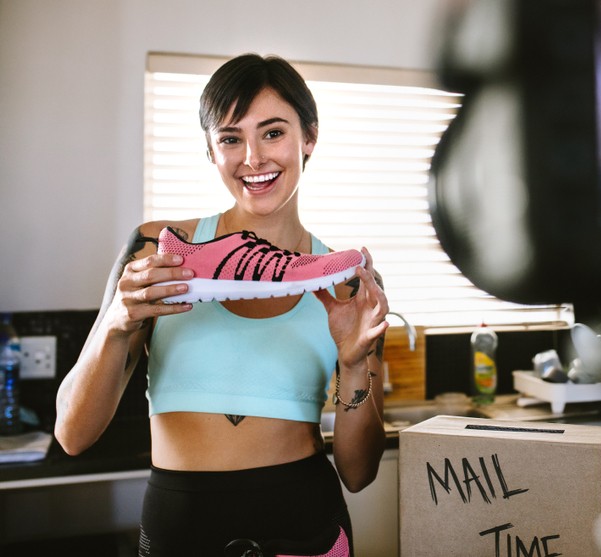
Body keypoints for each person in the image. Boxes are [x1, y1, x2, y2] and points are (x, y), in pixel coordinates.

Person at [54, 53, 389, 557]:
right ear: (212, 151)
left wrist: (354, 361)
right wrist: (118, 324)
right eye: (231, 138)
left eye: (273, 132)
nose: (253, 158)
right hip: (181, 523)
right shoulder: (159, 253)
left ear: (309, 138)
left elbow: (359, 474)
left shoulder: (345, 280)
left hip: (305, 519)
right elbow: (72, 435)